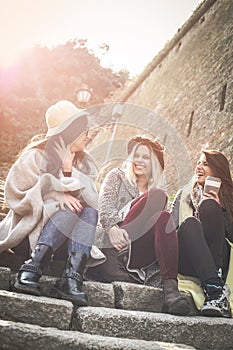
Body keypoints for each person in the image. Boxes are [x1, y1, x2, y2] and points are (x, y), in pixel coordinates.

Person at [0, 100, 102, 306]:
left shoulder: (82, 164)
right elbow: (15, 196)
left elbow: (93, 201)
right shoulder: (34, 157)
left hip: (68, 244)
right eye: (83, 130)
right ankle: (32, 267)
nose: (87, 135)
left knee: (88, 212)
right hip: (28, 236)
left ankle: (71, 280)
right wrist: (54, 194)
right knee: (70, 209)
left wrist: (68, 171)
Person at [85, 136, 191, 316]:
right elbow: (105, 203)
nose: (139, 161)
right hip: (116, 242)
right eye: (136, 155)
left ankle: (171, 290)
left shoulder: (155, 190)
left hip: (139, 252)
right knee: (157, 196)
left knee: (164, 217)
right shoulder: (117, 176)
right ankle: (167, 288)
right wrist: (112, 228)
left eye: (145, 157)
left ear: (154, 163)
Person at [171, 149, 233, 318]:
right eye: (198, 163)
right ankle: (217, 293)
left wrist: (221, 210)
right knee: (190, 223)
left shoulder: (231, 198)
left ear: (218, 170)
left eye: (205, 164)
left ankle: (214, 291)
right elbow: (170, 230)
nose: (199, 167)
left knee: (209, 206)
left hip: (219, 261)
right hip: (188, 258)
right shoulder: (183, 196)